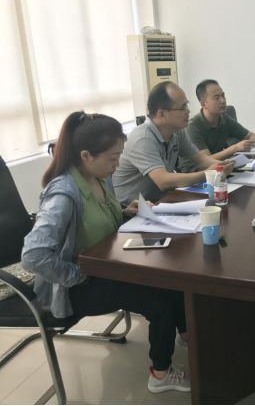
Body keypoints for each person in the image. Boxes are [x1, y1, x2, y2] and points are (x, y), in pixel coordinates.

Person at [21, 111, 190, 393]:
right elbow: (33, 255)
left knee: (173, 278)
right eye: (113, 158)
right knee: (159, 300)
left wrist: (124, 211)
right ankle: (161, 374)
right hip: (75, 288)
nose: (118, 164)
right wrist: (78, 274)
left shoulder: (97, 177)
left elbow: (94, 221)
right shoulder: (63, 193)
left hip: (107, 266)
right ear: (86, 155)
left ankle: (186, 333)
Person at [112, 81, 233, 204]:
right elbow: (163, 181)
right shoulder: (142, 138)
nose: (188, 111)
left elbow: (200, 159)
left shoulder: (177, 131)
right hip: (135, 208)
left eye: (187, 105)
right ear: (161, 113)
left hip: (162, 199)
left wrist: (221, 166)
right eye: (182, 107)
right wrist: (207, 173)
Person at [178, 79, 255, 173]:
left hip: (219, 168)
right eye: (216, 98)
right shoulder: (193, 126)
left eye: (223, 95)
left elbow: (250, 135)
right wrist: (235, 148)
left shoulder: (223, 117)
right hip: (195, 172)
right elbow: (205, 161)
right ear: (203, 104)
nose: (223, 101)